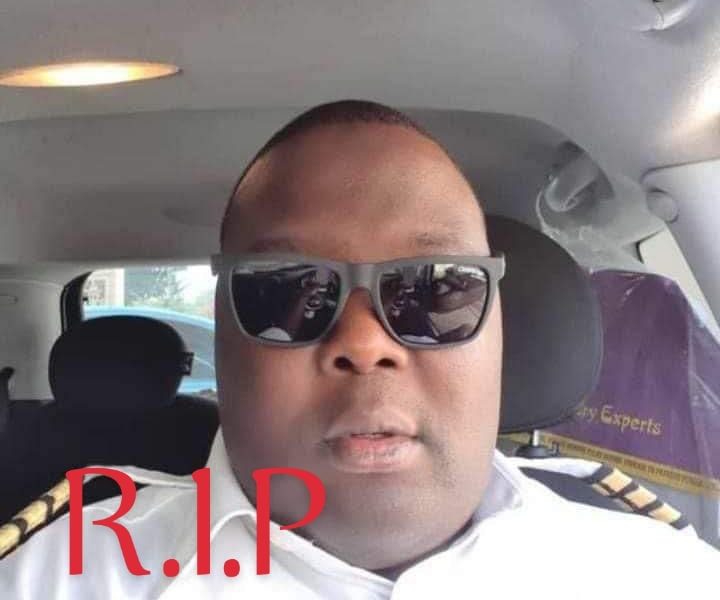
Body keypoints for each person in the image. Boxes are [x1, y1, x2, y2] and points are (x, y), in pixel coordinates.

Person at [0, 100, 717, 599]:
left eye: (436, 289)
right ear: (223, 330)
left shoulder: (665, 578)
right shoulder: (56, 579)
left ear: (500, 329)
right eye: (288, 290)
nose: (365, 342)